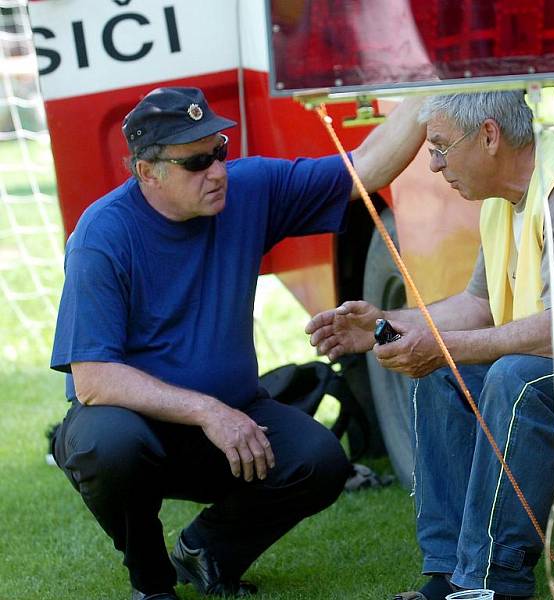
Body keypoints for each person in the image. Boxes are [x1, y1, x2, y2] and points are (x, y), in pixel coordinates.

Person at [49, 86, 426, 600]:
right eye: (197, 162)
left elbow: (366, 168)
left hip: (226, 417)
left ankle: (206, 552)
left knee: (320, 460)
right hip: (132, 426)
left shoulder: (247, 190)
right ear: (146, 172)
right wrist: (207, 410)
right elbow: (92, 381)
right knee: (107, 446)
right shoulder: (102, 234)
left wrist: (435, 95)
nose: (218, 170)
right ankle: (152, 584)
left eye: (220, 150)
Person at [305, 90, 554, 600]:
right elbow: (477, 306)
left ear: (489, 136)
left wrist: (444, 345)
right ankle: (447, 577)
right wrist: (383, 325)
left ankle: (493, 584)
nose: (432, 164)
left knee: (514, 377)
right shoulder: (506, 200)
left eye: (439, 147)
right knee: (444, 369)